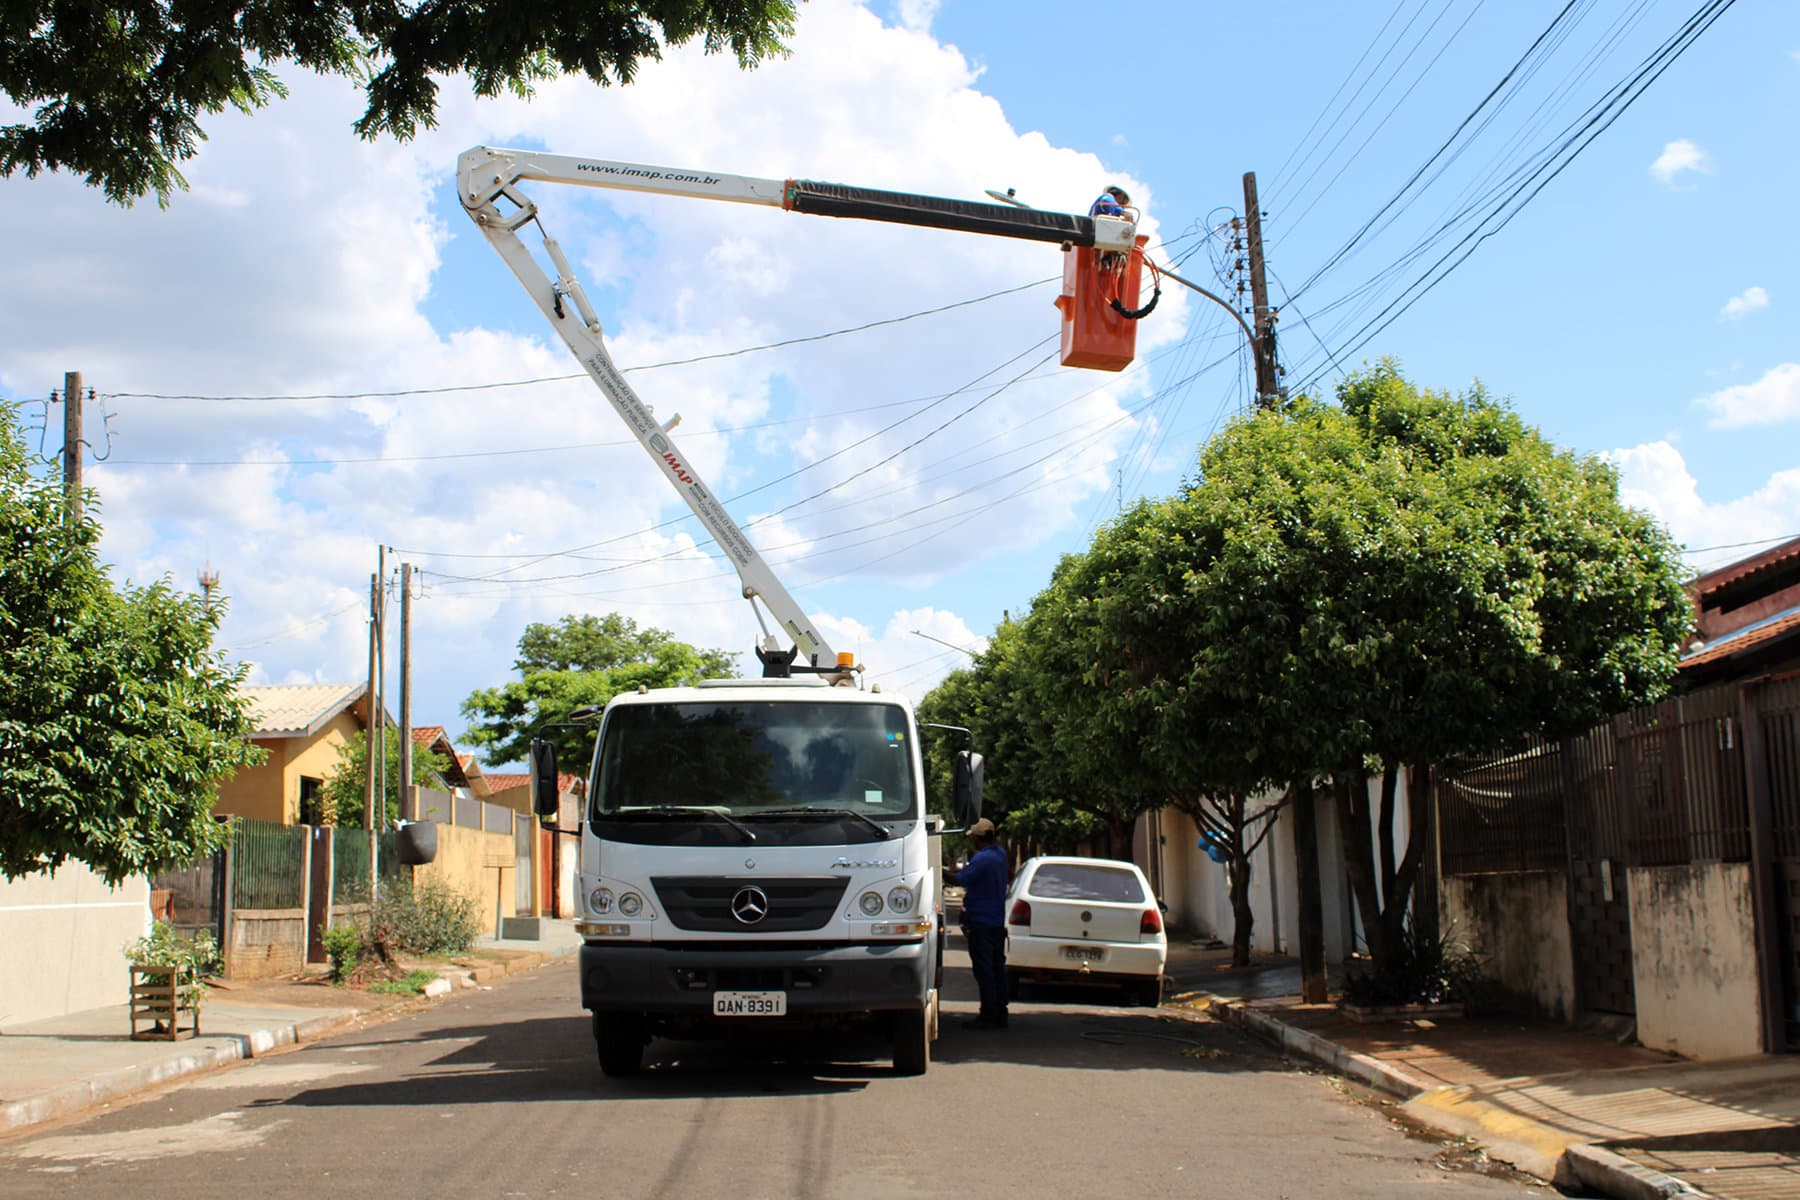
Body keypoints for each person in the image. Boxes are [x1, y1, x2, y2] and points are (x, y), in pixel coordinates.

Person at [944, 817, 1009, 1029]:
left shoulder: (983, 858)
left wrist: (936, 868)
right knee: (997, 968)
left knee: (985, 971)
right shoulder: (1000, 854)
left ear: (978, 838)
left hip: (981, 922)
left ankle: (988, 1014)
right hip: (996, 922)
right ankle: (1000, 1012)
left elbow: (960, 880)